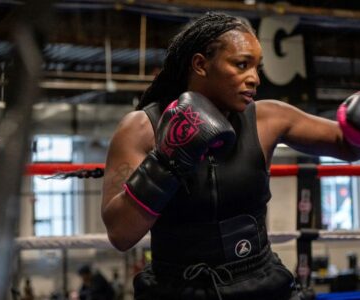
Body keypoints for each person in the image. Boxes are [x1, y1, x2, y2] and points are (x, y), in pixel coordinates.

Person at [101, 12, 360, 300]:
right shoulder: (141, 129)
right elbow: (121, 234)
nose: (255, 79)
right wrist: (167, 161)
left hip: (259, 283)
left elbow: (346, 144)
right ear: (200, 64)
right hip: (177, 288)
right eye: (241, 65)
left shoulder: (268, 118)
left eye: (256, 67)